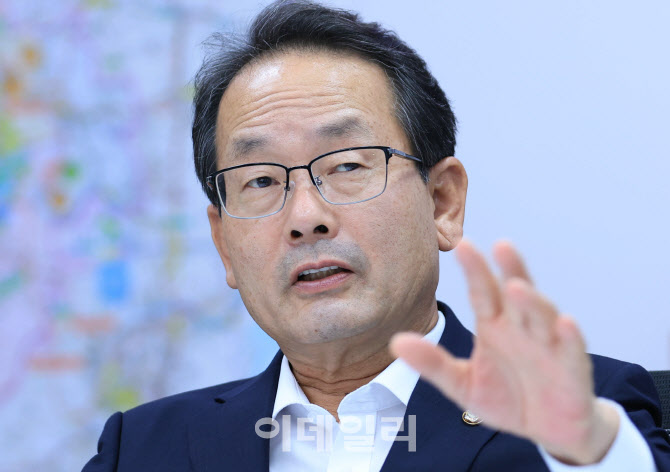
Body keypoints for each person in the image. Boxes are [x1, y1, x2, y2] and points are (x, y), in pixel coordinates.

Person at [83, 1, 670, 470]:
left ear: (442, 202)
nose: (305, 216)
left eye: (346, 165)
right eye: (260, 180)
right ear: (223, 244)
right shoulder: (142, 448)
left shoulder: (582, 417)